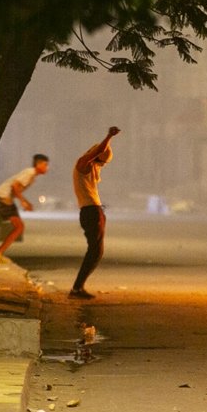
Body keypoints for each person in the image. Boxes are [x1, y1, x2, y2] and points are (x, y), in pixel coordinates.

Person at [69, 126, 120, 299]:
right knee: (95, 251)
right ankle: (76, 288)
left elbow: (99, 153)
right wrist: (109, 137)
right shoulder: (83, 164)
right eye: (101, 162)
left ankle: (78, 287)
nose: (101, 166)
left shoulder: (92, 168)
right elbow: (97, 152)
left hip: (94, 210)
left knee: (97, 251)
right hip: (90, 211)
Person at [0, 153, 49, 262]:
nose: (47, 167)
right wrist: (23, 201)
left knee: (18, 226)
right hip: (1, 200)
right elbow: (15, 186)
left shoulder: (32, 176)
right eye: (45, 164)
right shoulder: (30, 172)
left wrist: (26, 202)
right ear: (38, 164)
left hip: (7, 202)